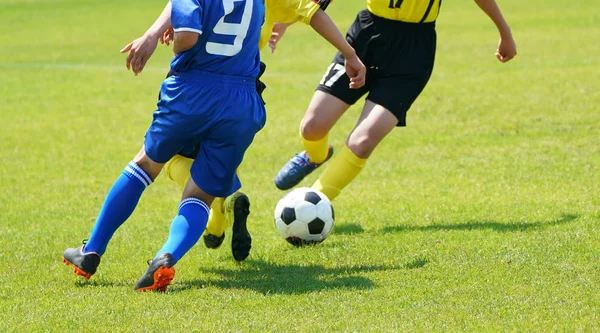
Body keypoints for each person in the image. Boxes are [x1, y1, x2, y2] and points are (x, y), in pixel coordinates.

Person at [119, 0, 367, 259]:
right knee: (217, 174)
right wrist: (349, 53)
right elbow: (314, 12)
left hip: (195, 85)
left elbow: (191, 26)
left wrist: (174, 26)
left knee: (168, 159)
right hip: (242, 97)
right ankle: (220, 215)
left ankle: (219, 208)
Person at [63, 0, 268, 292]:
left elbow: (187, 37)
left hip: (193, 90)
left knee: (145, 164)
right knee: (200, 195)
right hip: (242, 100)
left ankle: (90, 252)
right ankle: (166, 257)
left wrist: (171, 35)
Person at [274, 0, 517, 202]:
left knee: (363, 140)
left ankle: (315, 202)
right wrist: (287, 19)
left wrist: (504, 32)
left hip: (413, 51)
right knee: (312, 127)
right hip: (367, 36)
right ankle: (316, 156)